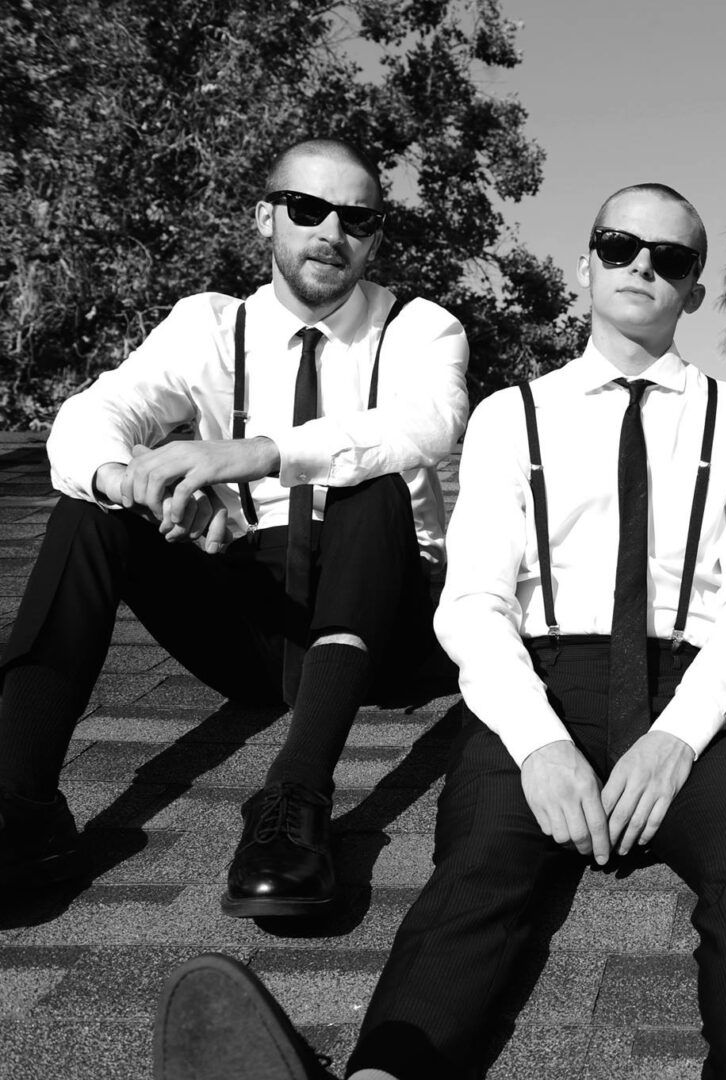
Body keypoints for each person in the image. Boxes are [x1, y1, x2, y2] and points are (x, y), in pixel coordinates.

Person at [152, 183, 726, 1080]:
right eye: (620, 246)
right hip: (537, 680)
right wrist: (540, 744)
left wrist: (676, 739)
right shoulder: (512, 415)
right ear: (585, 264)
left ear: (694, 291)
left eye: (669, 259)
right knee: (474, 880)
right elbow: (474, 601)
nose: (641, 266)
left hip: (688, 689)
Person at [0, 138, 469, 918]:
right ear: (265, 216)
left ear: (375, 236)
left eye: (357, 218)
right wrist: (137, 484)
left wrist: (253, 454)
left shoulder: (420, 328)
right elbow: (89, 418)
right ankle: (22, 809)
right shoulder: (211, 326)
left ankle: (293, 803)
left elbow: (428, 424)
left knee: (369, 482)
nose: (332, 233)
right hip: (257, 626)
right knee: (90, 507)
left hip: (388, 627)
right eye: (308, 209)